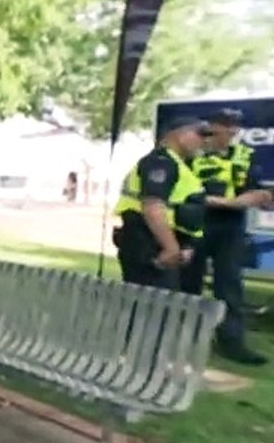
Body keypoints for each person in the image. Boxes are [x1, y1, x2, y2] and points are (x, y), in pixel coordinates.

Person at [181, 108, 272, 365]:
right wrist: (224, 202)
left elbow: (255, 190)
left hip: (231, 227)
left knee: (230, 285)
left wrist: (257, 198)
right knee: (188, 283)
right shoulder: (193, 154)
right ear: (211, 126)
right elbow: (184, 193)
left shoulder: (246, 154)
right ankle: (183, 339)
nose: (231, 131)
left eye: (235, 126)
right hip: (197, 222)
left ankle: (231, 342)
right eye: (225, 125)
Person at [112, 116, 209, 290]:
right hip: (147, 243)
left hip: (158, 243)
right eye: (200, 134)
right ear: (180, 134)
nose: (203, 141)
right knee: (151, 309)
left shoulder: (177, 164)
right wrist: (171, 248)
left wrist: (185, 245)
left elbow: (179, 209)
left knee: (161, 308)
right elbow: (153, 206)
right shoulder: (161, 162)